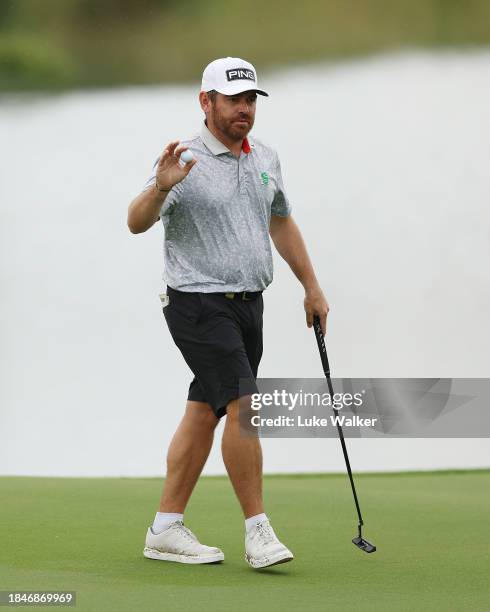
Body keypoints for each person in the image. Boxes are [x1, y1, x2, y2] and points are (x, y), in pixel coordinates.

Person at [127, 57, 329, 569]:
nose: (244, 109)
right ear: (206, 101)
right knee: (244, 403)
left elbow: (280, 222)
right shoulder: (184, 161)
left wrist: (311, 287)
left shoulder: (264, 155)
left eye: (251, 100)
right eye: (234, 99)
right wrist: (162, 185)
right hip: (196, 302)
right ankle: (257, 531)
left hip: (247, 306)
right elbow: (135, 221)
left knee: (204, 410)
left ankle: (165, 527)